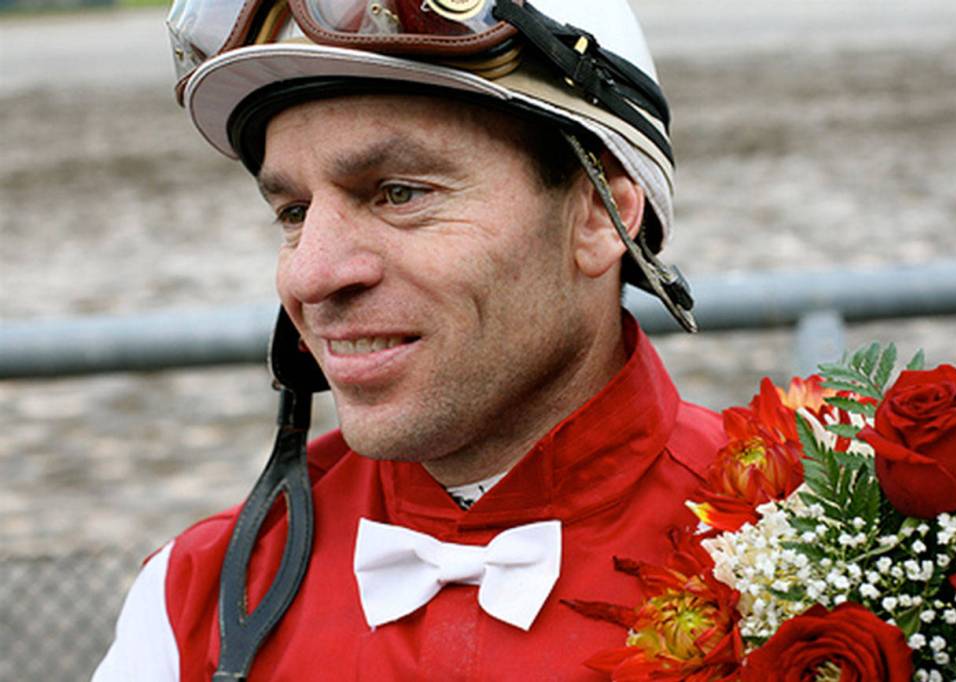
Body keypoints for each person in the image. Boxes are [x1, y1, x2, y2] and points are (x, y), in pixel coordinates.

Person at [94, 0, 725, 679]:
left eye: (398, 193)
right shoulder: (191, 602)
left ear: (600, 213)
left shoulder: (803, 546)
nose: (310, 275)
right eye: (295, 212)